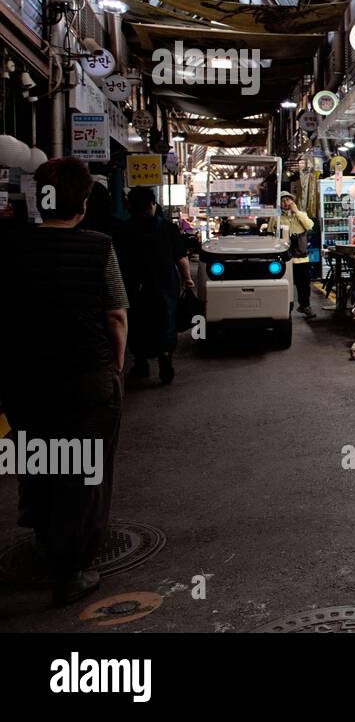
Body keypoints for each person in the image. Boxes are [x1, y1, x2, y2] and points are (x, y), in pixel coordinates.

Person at [0, 157, 128, 606]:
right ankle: (72, 570)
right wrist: (114, 368)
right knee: (86, 470)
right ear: (85, 200)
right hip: (87, 378)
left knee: (37, 456)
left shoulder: (10, 247)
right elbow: (115, 314)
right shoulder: (98, 246)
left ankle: (41, 534)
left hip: (24, 380)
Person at [115, 185, 191, 385]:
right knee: (166, 318)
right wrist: (187, 279)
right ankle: (165, 354)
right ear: (152, 204)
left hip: (134, 284)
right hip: (164, 282)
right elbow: (181, 258)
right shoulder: (167, 227)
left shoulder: (123, 229)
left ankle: (141, 363)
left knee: (138, 321)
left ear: (129, 206)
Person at [280, 193, 315, 318]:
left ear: (293, 201)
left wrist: (297, 212)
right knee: (284, 284)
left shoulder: (301, 215)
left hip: (301, 258)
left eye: (288, 199)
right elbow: (270, 232)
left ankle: (305, 306)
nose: (286, 202)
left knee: (304, 284)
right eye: (283, 200)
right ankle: (283, 308)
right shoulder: (277, 217)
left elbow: (310, 225)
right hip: (284, 258)